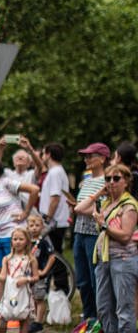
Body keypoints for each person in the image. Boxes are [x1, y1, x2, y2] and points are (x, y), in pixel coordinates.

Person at [74, 164, 138, 333]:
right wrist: (99, 193)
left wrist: (103, 225)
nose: (111, 182)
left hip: (123, 261)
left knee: (124, 310)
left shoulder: (129, 205)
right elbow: (78, 208)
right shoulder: (106, 203)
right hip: (104, 261)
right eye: (108, 179)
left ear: (126, 181)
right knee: (104, 309)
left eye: (116, 179)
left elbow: (125, 236)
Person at [0, 159, 39, 307]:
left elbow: (34, 190)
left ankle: (19, 309)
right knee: (1, 274)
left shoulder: (6, 183)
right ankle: (4, 311)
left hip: (14, 235)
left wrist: (26, 213)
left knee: (16, 274)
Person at [72, 142, 109, 323]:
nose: (86, 159)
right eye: (85, 156)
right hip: (79, 232)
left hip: (94, 234)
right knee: (82, 279)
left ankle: (101, 318)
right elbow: (86, 207)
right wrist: (83, 207)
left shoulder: (107, 181)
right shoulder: (86, 181)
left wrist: (81, 208)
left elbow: (101, 208)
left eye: (90, 156)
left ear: (102, 159)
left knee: (95, 278)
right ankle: (88, 317)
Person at [0, 227, 39, 333]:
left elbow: (36, 277)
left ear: (27, 241)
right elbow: (2, 278)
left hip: (23, 293)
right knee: (2, 321)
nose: (18, 242)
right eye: (15, 239)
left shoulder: (31, 259)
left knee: (24, 320)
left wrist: (26, 279)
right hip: (9, 293)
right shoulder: (7, 259)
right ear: (11, 241)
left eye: (21, 239)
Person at [39, 143, 71, 252]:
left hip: (54, 222)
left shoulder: (55, 173)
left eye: (43, 153)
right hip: (55, 221)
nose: (42, 156)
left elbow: (55, 198)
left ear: (49, 154)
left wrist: (47, 219)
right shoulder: (57, 171)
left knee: (54, 256)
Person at [26, 214, 55, 333]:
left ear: (42, 227)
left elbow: (52, 257)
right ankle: (33, 319)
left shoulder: (43, 242)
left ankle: (38, 322)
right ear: (27, 227)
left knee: (39, 298)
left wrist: (44, 271)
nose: (34, 228)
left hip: (40, 276)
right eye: (31, 225)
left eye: (37, 225)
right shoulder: (26, 242)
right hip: (29, 276)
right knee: (31, 297)